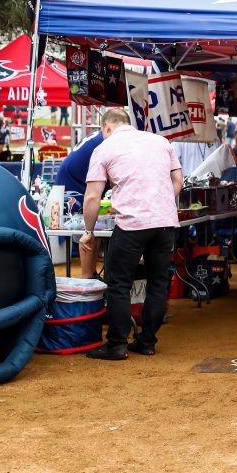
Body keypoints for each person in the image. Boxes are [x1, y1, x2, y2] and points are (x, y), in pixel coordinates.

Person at [81, 109, 184, 361]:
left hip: (131, 225)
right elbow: (178, 181)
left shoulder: (104, 149)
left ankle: (116, 344)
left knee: (118, 284)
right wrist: (158, 204)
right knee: (158, 283)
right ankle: (147, 341)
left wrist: (88, 231)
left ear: (106, 127)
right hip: (164, 223)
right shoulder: (160, 142)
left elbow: (93, 196)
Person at [53, 130, 105, 279]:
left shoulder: (99, 136)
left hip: (73, 181)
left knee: (95, 228)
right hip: (74, 187)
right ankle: (87, 278)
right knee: (87, 229)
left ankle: (91, 274)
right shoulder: (105, 141)